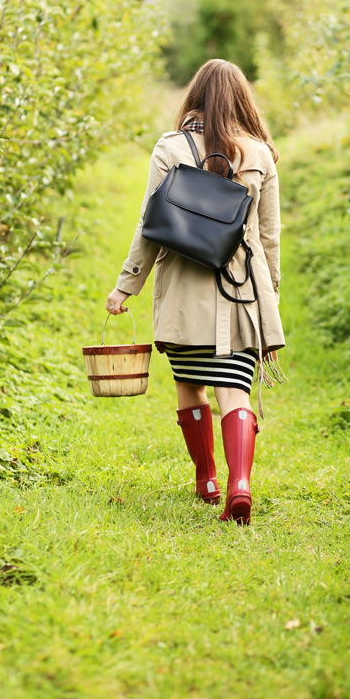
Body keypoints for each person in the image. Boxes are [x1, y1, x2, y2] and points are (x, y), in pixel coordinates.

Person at [106, 59, 284, 525]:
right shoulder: (260, 155)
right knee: (234, 392)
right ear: (243, 99)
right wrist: (271, 302)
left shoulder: (170, 147)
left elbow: (150, 226)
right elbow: (268, 239)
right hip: (240, 293)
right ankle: (239, 485)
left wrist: (126, 286)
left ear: (194, 96)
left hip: (184, 293)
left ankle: (207, 479)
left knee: (189, 385)